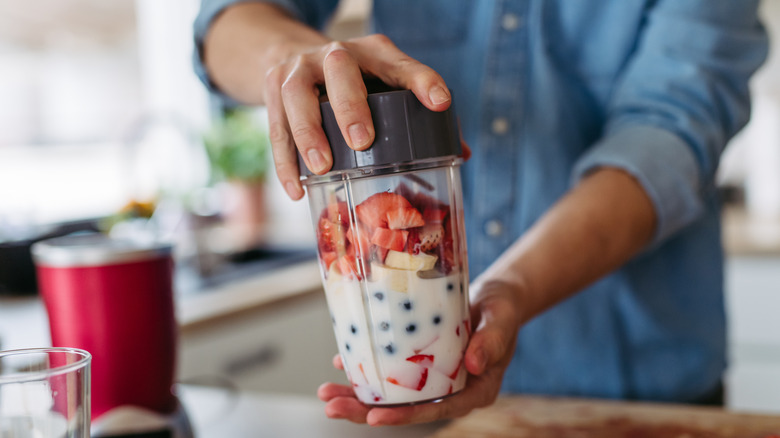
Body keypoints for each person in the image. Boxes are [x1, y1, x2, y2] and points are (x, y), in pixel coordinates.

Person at [193, 0, 768, 426]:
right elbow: (223, 23)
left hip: (636, 396)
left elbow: (668, 139)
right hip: (416, 400)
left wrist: (512, 288)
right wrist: (292, 56)